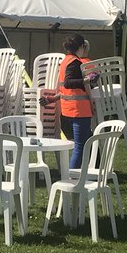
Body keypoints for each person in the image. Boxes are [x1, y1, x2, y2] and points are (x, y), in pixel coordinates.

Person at [43, 34, 97, 170]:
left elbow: (66, 88)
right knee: (79, 147)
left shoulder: (65, 61)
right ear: (81, 47)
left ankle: (93, 168)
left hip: (68, 110)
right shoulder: (75, 63)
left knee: (86, 141)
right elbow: (68, 83)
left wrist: (51, 99)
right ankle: (71, 177)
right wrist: (88, 80)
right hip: (79, 111)